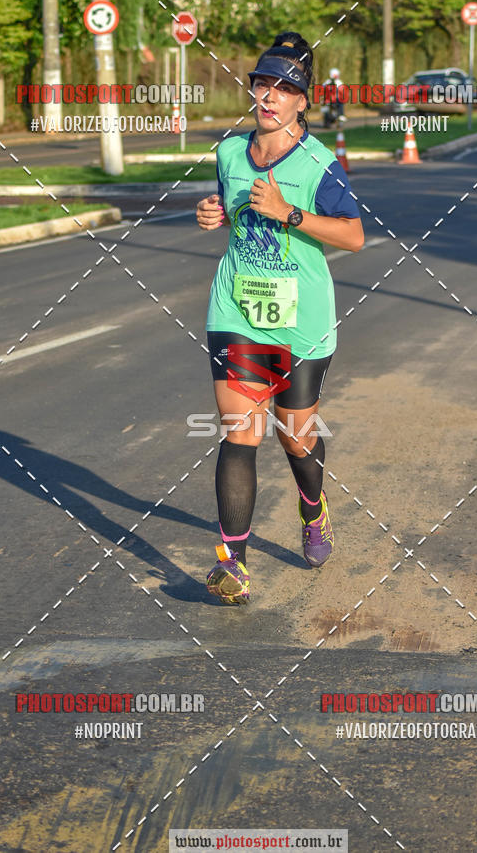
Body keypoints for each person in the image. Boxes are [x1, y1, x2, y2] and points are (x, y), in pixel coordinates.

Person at [196, 31, 364, 606]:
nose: (269, 96)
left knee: (296, 437)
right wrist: (213, 213)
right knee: (240, 429)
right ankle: (233, 565)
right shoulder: (228, 153)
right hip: (238, 307)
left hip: (302, 318)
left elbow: (354, 236)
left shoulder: (320, 165)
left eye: (284, 88)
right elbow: (230, 209)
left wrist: (290, 212)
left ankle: (313, 509)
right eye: (262, 84)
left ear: (302, 101)